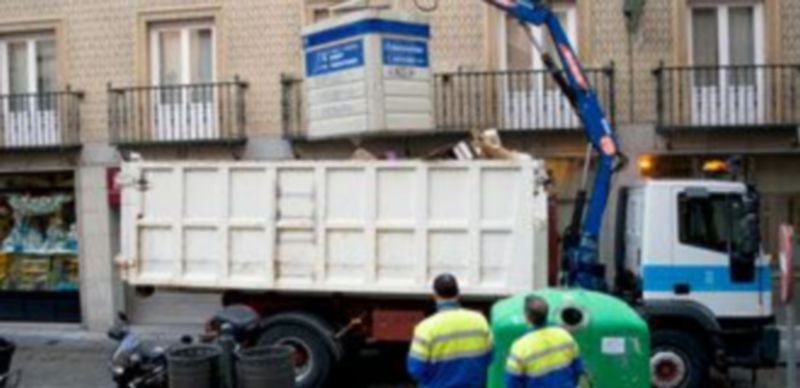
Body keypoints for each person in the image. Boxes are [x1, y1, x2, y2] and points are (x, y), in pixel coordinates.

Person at [407, 273, 493, 388]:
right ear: (458, 293)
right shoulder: (479, 321)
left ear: (435, 295)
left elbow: (416, 369)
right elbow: (489, 358)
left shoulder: (425, 328)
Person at [505, 295, 584, 388]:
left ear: (527, 317)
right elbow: (578, 369)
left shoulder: (520, 347)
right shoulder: (565, 335)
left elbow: (512, 382)